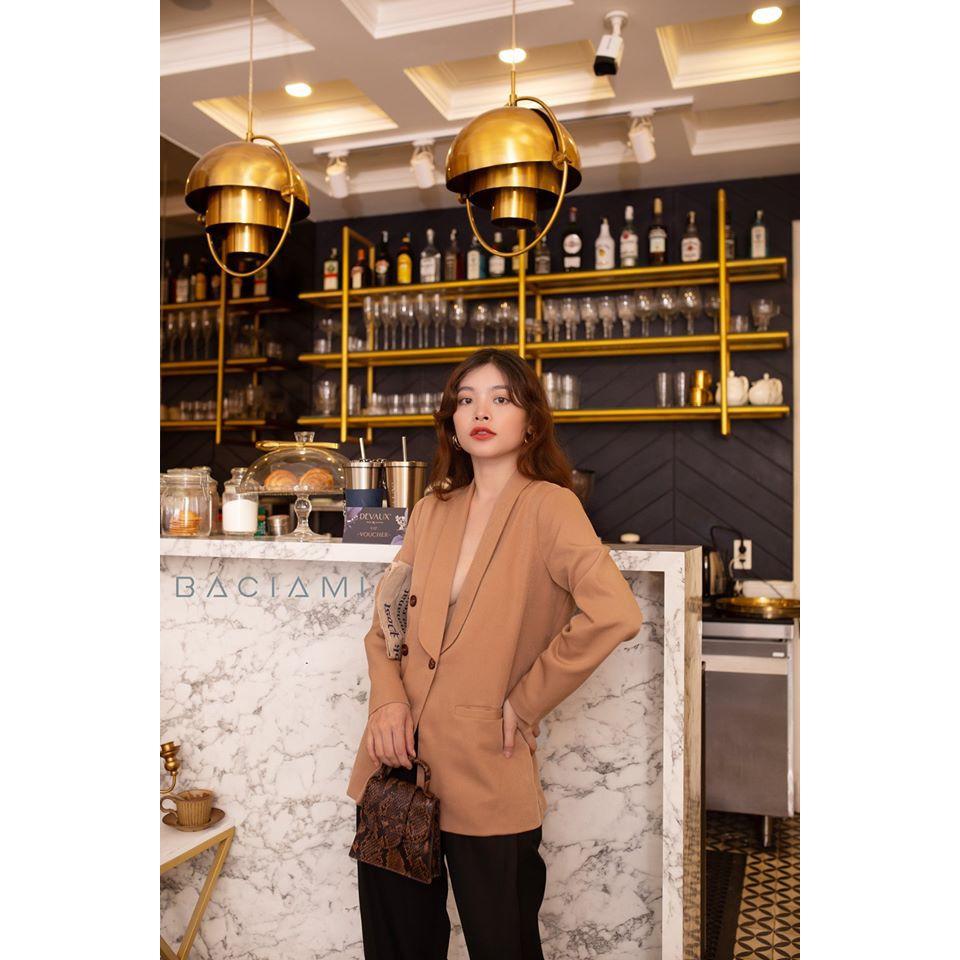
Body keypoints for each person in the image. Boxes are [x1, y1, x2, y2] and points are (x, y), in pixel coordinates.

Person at [345, 348, 644, 959]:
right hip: (397, 764)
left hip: (488, 765)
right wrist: (386, 702)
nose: (481, 412)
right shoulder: (431, 509)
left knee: (503, 944)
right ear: (452, 422)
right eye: (466, 400)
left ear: (530, 421)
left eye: (501, 399)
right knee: (397, 947)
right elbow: (388, 623)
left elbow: (616, 613)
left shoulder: (550, 507)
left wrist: (525, 702)